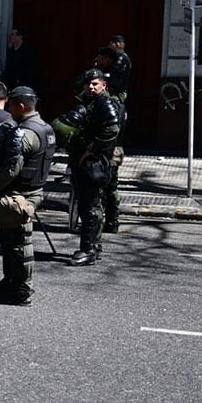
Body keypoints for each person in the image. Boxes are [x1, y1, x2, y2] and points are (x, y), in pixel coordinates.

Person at [0, 86, 54, 306]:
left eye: (11, 106)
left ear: (21, 106)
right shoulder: (45, 128)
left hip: (19, 195)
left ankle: (21, 289)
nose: (9, 110)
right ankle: (11, 281)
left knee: (19, 243)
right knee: (10, 242)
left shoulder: (25, 134)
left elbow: (11, 168)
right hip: (33, 191)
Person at [58, 71, 124, 266]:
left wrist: (91, 149)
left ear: (103, 85)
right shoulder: (90, 102)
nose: (91, 87)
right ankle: (94, 246)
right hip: (84, 159)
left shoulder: (104, 102)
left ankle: (88, 249)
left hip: (94, 161)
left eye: (95, 83)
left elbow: (113, 128)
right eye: (88, 83)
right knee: (90, 205)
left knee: (90, 207)